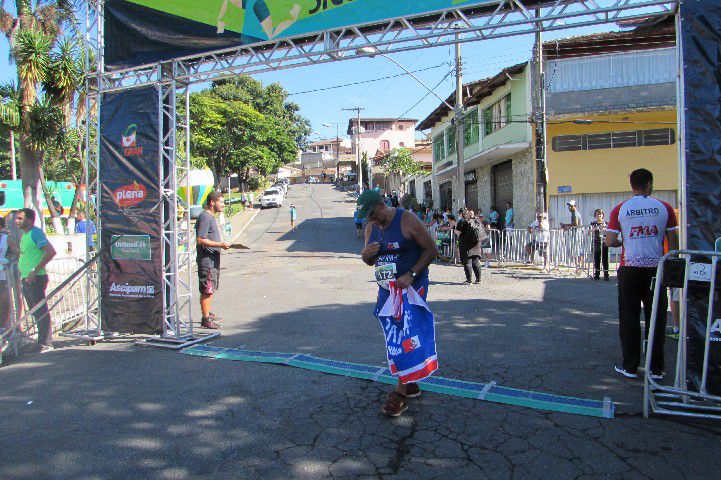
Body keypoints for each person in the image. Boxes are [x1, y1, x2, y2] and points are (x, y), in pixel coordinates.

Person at [358, 189, 438, 417]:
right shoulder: (371, 228)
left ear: (381, 204)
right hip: (387, 291)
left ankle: (400, 393)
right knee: (393, 335)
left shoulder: (406, 220)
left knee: (404, 336)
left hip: (410, 287)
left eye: (371, 213)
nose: (370, 218)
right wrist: (366, 254)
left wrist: (411, 274)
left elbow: (432, 249)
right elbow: (369, 261)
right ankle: (410, 380)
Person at [605, 168, 678, 379]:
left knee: (629, 317)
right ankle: (656, 368)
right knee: (657, 317)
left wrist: (624, 241)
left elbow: (609, 241)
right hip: (656, 268)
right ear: (649, 184)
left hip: (630, 268)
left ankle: (630, 366)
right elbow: (673, 243)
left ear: (632, 185)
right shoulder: (664, 207)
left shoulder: (621, 208)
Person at [15, 208, 57, 352]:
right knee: (35, 311)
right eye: (17, 218)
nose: (17, 221)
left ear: (30, 220)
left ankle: (46, 343)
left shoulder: (35, 233)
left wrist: (35, 270)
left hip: (36, 278)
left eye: (20, 218)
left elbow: (51, 252)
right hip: (27, 278)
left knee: (40, 310)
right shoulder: (25, 235)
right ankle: (42, 341)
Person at [195, 192, 230, 330]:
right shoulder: (205, 217)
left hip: (212, 259)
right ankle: (205, 319)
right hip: (207, 261)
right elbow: (200, 239)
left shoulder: (209, 217)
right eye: (221, 202)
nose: (223, 204)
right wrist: (220, 245)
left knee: (210, 289)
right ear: (212, 202)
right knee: (207, 290)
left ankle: (207, 312)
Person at [455, 207, 484, 284]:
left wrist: (455, 227)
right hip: (476, 243)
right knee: (476, 261)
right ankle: (478, 280)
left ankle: (469, 280)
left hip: (466, 244)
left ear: (461, 214)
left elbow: (458, 233)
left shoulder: (462, 221)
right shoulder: (475, 219)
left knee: (467, 262)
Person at [590, 209, 609, 281]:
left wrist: (604, 228)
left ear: (603, 215)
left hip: (604, 242)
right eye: (597, 214)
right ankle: (597, 274)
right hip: (596, 242)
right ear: (595, 215)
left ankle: (606, 275)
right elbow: (588, 232)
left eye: (600, 214)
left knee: (605, 259)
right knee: (597, 259)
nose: (599, 216)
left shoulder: (606, 223)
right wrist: (594, 229)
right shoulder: (593, 223)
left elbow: (609, 232)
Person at [0, 216, 12, 333]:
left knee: (4, 303)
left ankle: (4, 327)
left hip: (3, 276)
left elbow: (13, 254)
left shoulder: (6, 238)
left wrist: (6, 261)